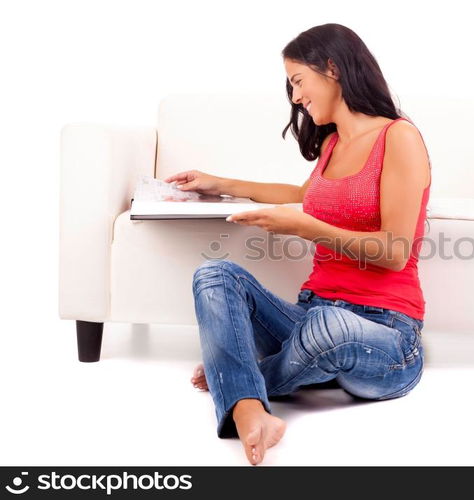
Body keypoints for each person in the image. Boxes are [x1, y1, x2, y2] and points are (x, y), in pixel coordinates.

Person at [165, 23, 431, 466]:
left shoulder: (398, 137)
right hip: (310, 312)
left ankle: (238, 378)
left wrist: (305, 229)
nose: (295, 97)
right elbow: (303, 197)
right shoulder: (333, 144)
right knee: (215, 274)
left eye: (297, 81)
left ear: (332, 67)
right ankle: (251, 409)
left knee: (329, 327)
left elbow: (395, 251)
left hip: (386, 332)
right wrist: (219, 183)